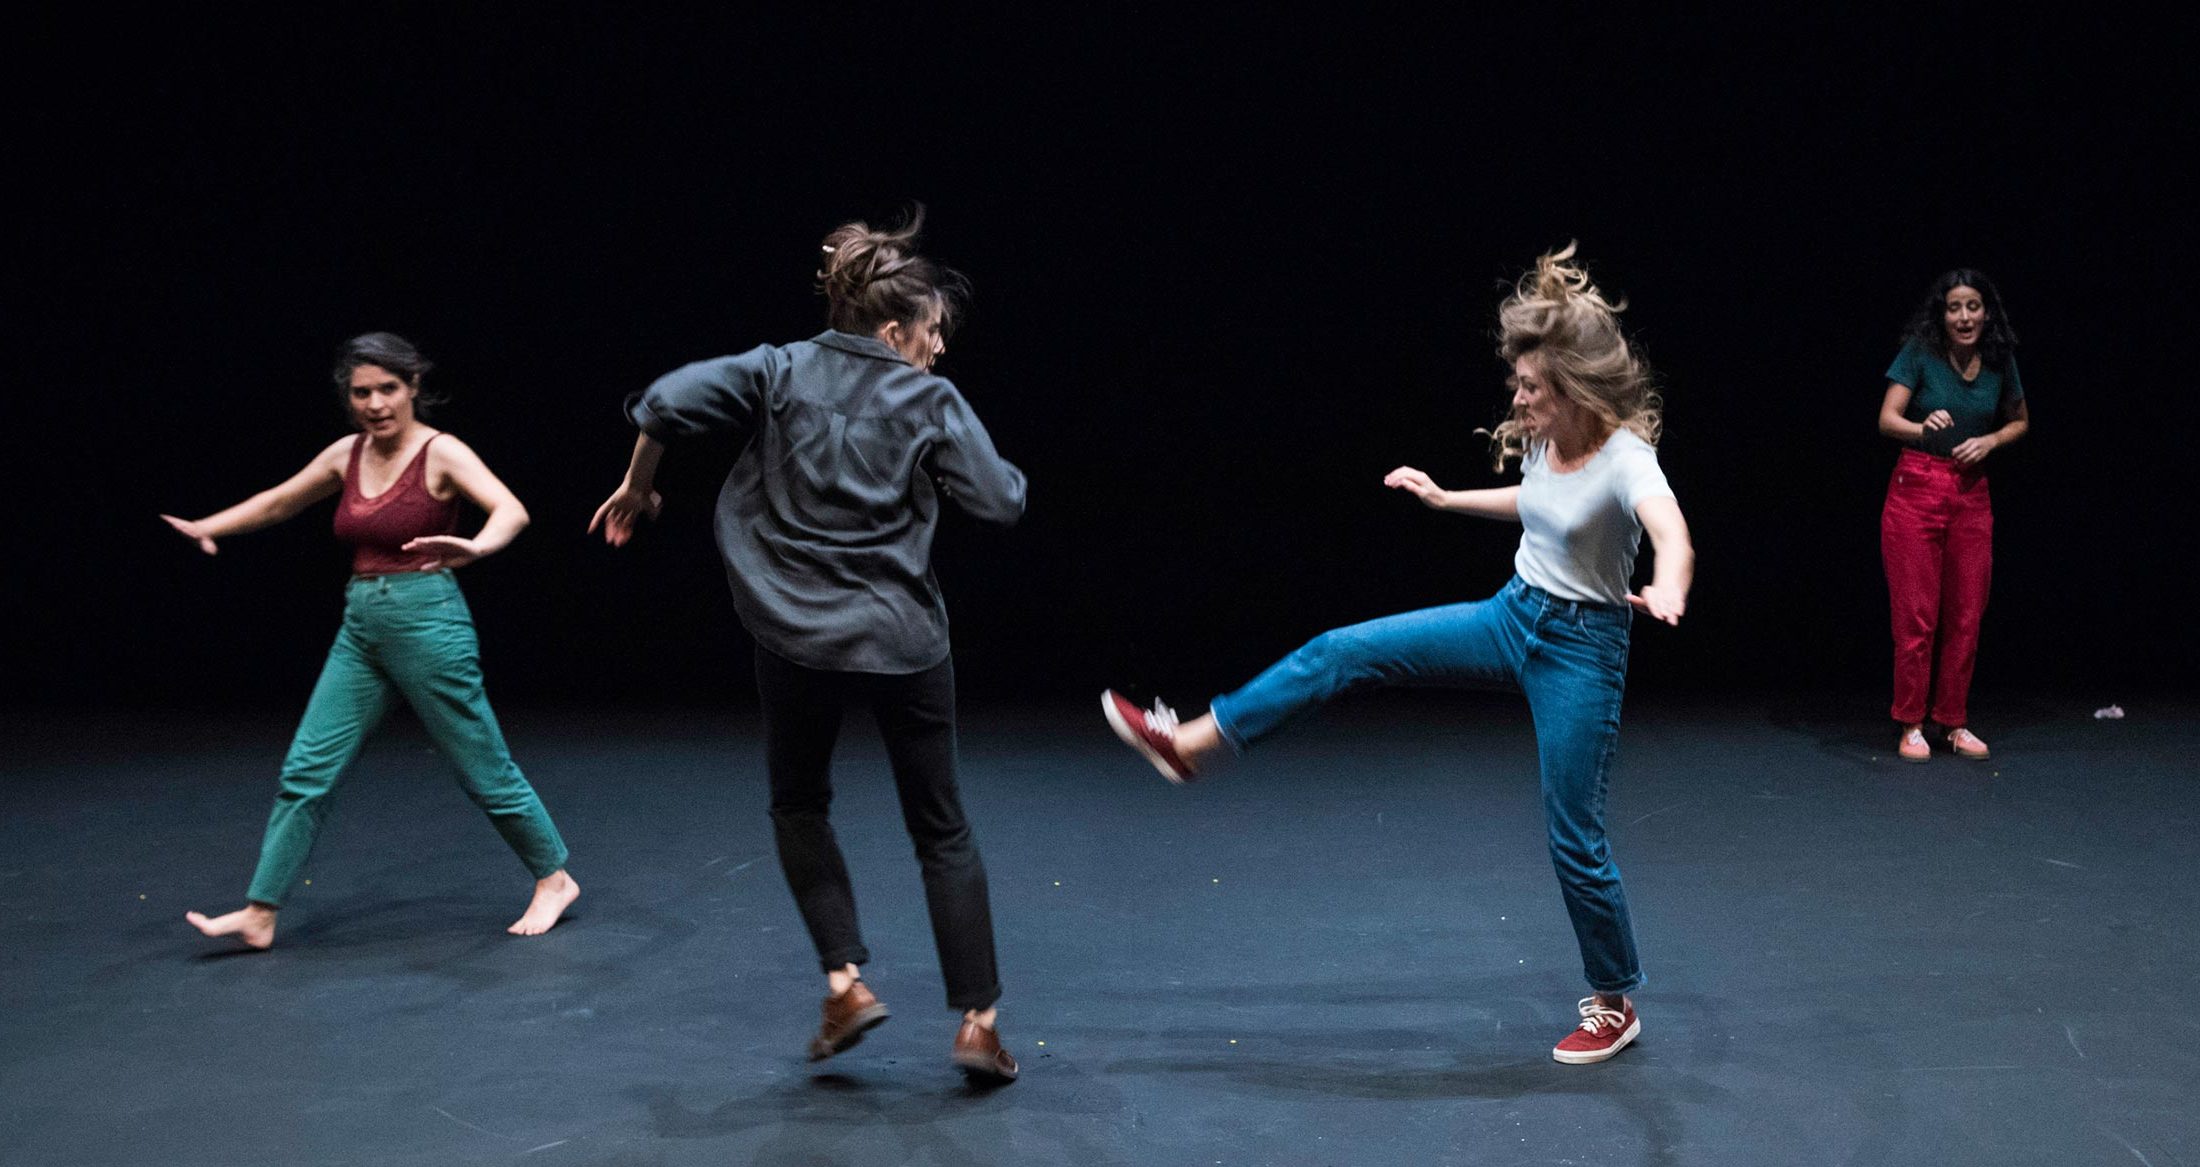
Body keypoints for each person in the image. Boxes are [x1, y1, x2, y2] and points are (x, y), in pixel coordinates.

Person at [1103, 244, 1691, 1065]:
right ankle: (1193, 745)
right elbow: (1535, 501)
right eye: (1518, 383)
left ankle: (1614, 998)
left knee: (1574, 835)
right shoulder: (1546, 440)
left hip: (1583, 648)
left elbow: (1668, 526)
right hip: (1511, 615)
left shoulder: (1627, 456)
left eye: (1531, 388)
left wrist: (1669, 582)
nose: (1518, 399)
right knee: (1340, 650)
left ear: (1575, 390)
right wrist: (1447, 497)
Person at [592, 209, 1027, 1082]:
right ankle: (978, 1023)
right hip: (902, 636)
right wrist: (941, 457)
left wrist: (638, 490)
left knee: (799, 802)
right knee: (940, 827)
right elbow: (1002, 500)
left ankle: (844, 982)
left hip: (791, 630)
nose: (939, 351)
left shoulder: (779, 369)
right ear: (897, 328)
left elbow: (666, 402)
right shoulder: (928, 397)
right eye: (933, 334)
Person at [166, 332, 577, 950]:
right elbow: (280, 501)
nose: (376, 403)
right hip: (362, 625)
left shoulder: (442, 453)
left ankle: (554, 877)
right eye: (362, 392)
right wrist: (207, 526)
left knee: (481, 766)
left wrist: (478, 546)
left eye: (389, 388)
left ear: (413, 388)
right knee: (308, 769)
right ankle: (260, 912)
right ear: (348, 397)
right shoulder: (346, 454)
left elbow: (510, 510)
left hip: (428, 620)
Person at [1875, 269, 2029, 763]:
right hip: (1917, 487)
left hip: (1971, 493)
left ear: (1987, 313)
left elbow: (2020, 420)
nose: (1964, 317)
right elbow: (1886, 419)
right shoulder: (1920, 354)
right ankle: (1912, 723)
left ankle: (1953, 722)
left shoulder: (1999, 360)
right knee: (1917, 616)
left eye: (1972, 307)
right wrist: (1922, 428)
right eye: (1954, 308)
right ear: (1941, 315)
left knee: (1967, 614)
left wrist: (1991, 440)